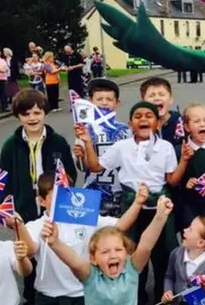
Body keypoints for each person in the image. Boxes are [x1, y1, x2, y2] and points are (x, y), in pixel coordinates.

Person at [76, 101, 182, 304]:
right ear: (130, 123)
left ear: (157, 123)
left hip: (158, 205)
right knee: (130, 253)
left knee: (162, 253)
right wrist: (88, 143)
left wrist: (184, 160)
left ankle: (162, 295)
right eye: (138, 116)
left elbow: (171, 179)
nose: (143, 119)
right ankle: (135, 297)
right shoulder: (121, 147)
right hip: (132, 206)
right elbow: (96, 166)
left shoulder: (165, 147)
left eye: (148, 116)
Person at [0, 89, 77, 304]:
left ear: (45, 113)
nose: (32, 118)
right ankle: (31, 295)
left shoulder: (58, 141)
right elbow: (2, 181)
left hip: (52, 209)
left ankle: (59, 290)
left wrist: (64, 182)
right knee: (27, 254)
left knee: (53, 252)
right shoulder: (10, 145)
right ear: (18, 116)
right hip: (24, 210)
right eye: (26, 114)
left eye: (36, 112)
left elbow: (71, 176)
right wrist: (5, 211)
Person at [25, 172, 147, 304]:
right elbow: (30, 250)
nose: (63, 198)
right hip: (49, 297)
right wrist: (19, 226)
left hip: (82, 294)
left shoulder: (85, 217)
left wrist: (138, 202)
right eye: (56, 196)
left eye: (67, 193)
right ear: (41, 201)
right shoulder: (35, 226)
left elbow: (120, 225)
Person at [40, 196, 174, 305]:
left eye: (118, 249)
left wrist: (160, 217)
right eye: (105, 252)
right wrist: (55, 243)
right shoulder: (90, 276)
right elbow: (74, 261)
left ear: (127, 253)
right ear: (93, 258)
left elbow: (145, 245)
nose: (113, 255)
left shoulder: (132, 269)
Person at [73, 79, 129, 218]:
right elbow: (83, 167)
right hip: (93, 192)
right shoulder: (84, 130)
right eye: (99, 99)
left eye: (109, 99)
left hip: (120, 191)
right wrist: (80, 156)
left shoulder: (126, 130)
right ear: (91, 102)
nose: (104, 102)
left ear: (117, 103)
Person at [175, 103, 205, 227]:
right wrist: (186, 184)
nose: (202, 124)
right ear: (186, 127)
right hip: (189, 207)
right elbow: (174, 181)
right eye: (196, 121)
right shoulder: (179, 151)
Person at [162, 216, 205, 304]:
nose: (184, 229)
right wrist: (168, 290)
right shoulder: (176, 253)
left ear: (201, 243)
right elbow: (169, 277)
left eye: (190, 229)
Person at [140, 77, 186, 146]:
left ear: (171, 99)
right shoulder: (139, 126)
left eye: (161, 94)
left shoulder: (182, 124)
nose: (157, 98)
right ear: (143, 102)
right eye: (151, 96)